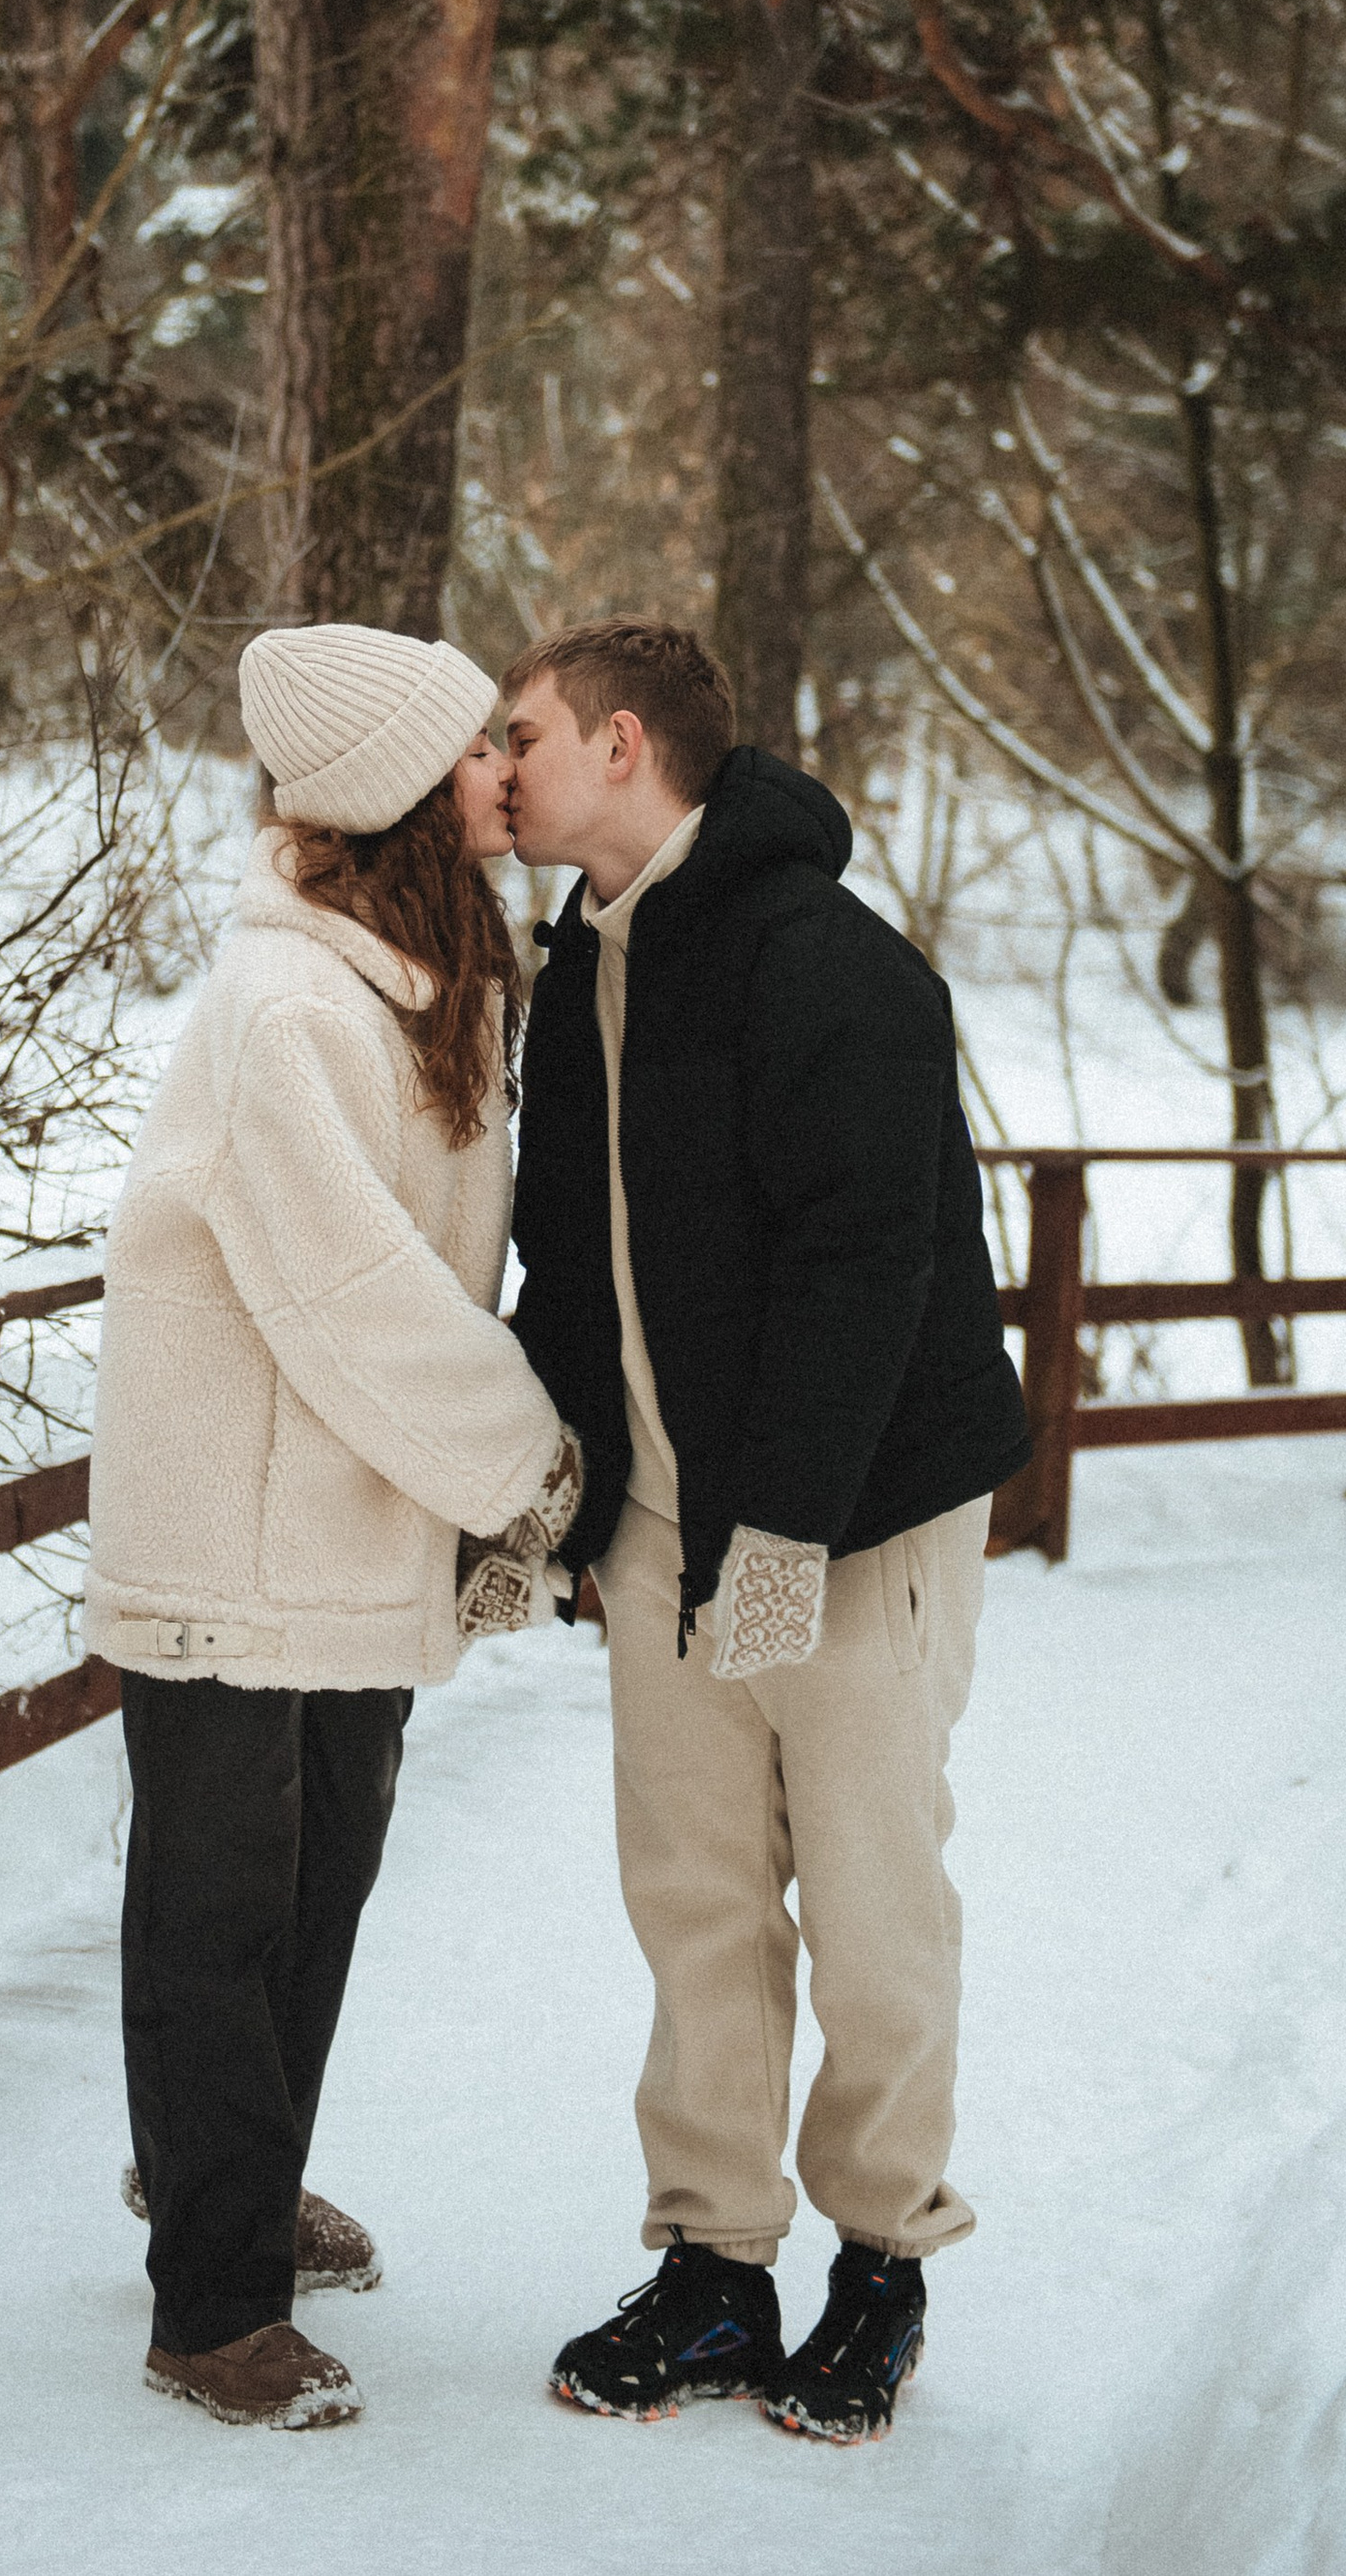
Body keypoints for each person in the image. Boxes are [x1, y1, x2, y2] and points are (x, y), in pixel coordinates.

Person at [499, 617, 1028, 2445]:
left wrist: (787, 1528)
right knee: (698, 1900)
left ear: (624, 744)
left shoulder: (832, 967)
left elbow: (863, 1271)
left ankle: (882, 2259)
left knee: (874, 1900)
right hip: (665, 1521)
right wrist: (566, 1489)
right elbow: (572, 1258)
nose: (495, 771)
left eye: (523, 734)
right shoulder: (580, 968)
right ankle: (718, 2267)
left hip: (855, 1516)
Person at [85, 621, 582, 2431]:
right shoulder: (286, 1012)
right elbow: (359, 1299)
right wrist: (534, 1470)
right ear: (397, 793)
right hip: (236, 1536)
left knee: (317, 1894)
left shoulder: (414, 976)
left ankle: (234, 2170)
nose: (500, 774)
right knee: (218, 1915)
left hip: (348, 1528)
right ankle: (210, 2309)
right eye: (473, 752)